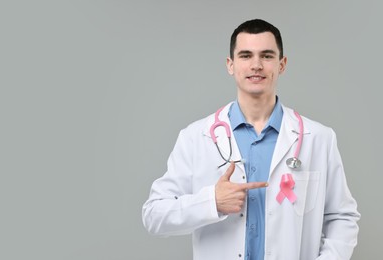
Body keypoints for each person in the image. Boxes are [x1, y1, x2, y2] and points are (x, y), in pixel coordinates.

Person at [142, 19, 360, 260]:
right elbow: (154, 215)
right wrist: (211, 202)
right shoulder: (195, 137)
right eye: (246, 55)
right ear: (230, 65)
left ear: (282, 64)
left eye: (266, 56)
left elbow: (342, 217)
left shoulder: (318, 138)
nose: (256, 65)